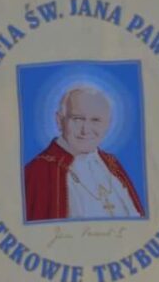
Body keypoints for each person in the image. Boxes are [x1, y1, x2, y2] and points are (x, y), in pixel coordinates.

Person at [22, 82, 145, 222]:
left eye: (96, 120)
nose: (85, 130)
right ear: (59, 121)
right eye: (78, 119)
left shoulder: (113, 164)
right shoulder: (38, 172)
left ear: (108, 124)